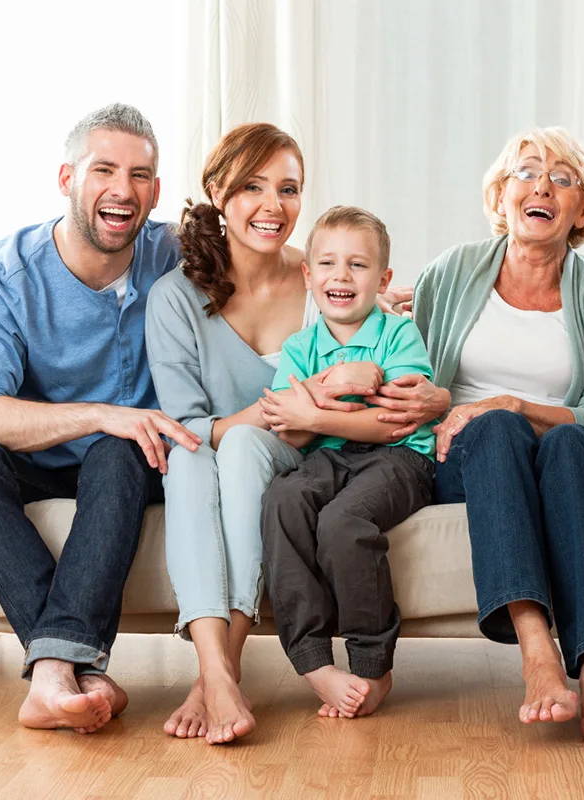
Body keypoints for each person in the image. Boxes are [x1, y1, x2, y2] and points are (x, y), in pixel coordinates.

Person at [411, 127, 584, 749]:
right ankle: (536, 646)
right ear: (501, 193)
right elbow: (417, 371)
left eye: (564, 179)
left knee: (568, 445)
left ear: (582, 209)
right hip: (469, 457)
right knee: (495, 428)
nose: (543, 185)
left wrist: (512, 401)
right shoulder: (451, 272)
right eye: (527, 172)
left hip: (563, 456)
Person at [146, 125, 375, 744]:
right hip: (213, 451)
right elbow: (186, 422)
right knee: (188, 456)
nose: (274, 206)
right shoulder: (173, 298)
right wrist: (287, 403)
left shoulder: (323, 278)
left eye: (289, 188)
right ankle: (215, 668)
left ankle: (223, 666)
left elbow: (359, 375)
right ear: (218, 191)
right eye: (253, 186)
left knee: (240, 443)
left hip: (308, 455)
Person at [0, 103, 200, 732]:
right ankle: (72, 665)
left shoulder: (177, 254)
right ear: (67, 178)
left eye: (140, 175)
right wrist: (103, 413)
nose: (122, 190)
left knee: (123, 445)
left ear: (155, 190)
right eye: (104, 170)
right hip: (40, 460)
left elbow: (264, 245)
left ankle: (53, 672)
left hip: (132, 463)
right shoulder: (3, 275)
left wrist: (350, 285)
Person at [259, 206, 436, 718]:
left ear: (382, 279)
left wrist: (320, 406)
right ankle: (312, 658)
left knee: (343, 521)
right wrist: (346, 388)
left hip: (399, 459)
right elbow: (288, 427)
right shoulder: (300, 347)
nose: (341, 276)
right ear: (308, 275)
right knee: (282, 500)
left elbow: (393, 425)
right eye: (329, 264)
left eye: (357, 266)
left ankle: (371, 663)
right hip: (327, 460)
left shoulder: (399, 335)